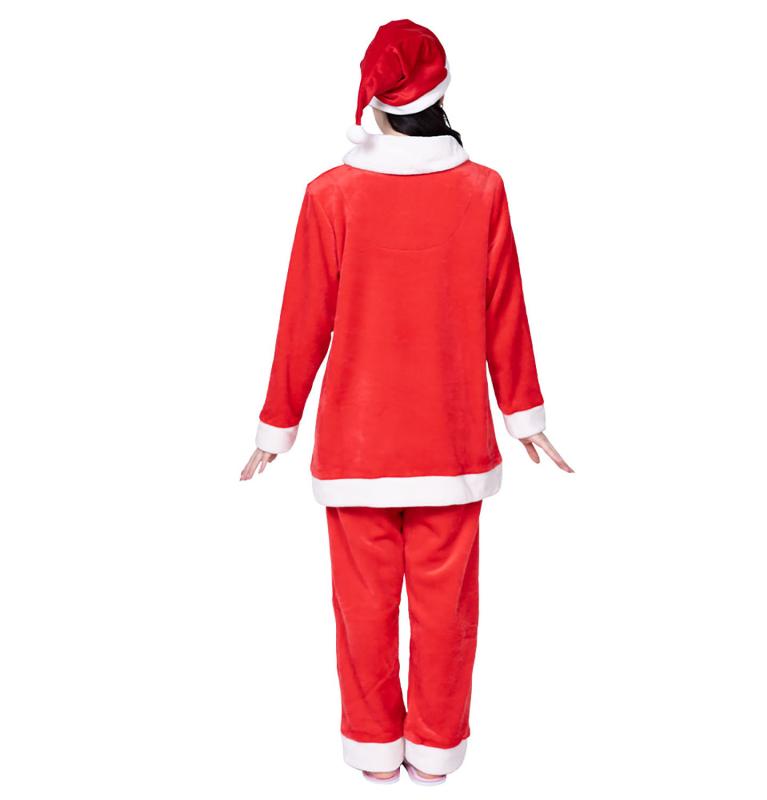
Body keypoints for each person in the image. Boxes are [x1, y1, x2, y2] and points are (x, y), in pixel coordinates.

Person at [240, 19, 573, 786]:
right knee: (447, 614)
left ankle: (372, 750)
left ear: (373, 98)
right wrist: (524, 414)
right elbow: (505, 313)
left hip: (357, 447)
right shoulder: (482, 190)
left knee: (361, 610)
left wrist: (277, 424)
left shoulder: (331, 195)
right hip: (451, 445)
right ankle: (435, 750)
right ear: (439, 93)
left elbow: (302, 321)